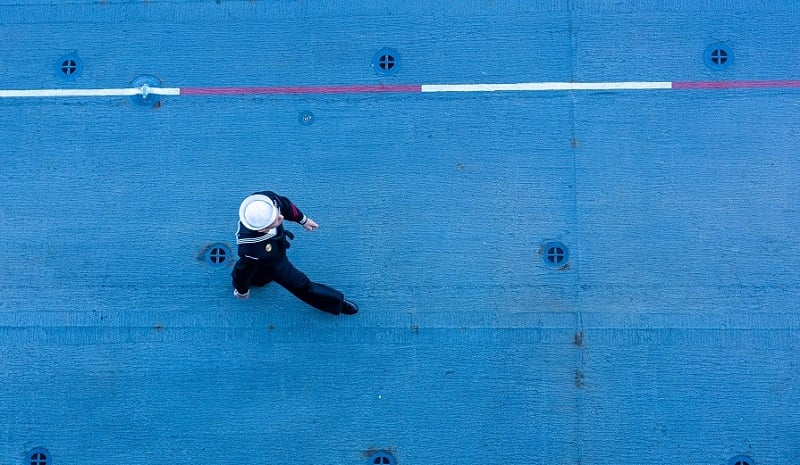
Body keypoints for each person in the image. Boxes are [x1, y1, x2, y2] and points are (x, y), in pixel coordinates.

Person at [231, 191, 359, 316]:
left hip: (273, 249)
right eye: (275, 221)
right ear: (263, 229)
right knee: (301, 285)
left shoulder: (267, 201)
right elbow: (242, 270)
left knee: (259, 276)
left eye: (276, 213)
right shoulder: (250, 248)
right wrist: (242, 290)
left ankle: (258, 280)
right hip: (274, 263)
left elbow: (285, 206)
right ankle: (337, 303)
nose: (281, 217)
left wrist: (303, 220)